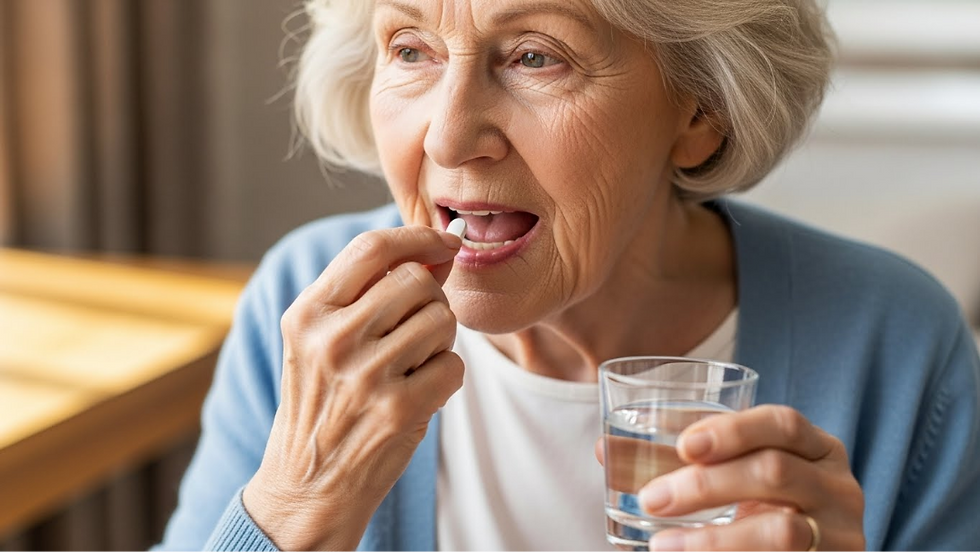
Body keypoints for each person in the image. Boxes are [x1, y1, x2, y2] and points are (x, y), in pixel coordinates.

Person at [153, 0, 980, 550]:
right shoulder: (310, 306)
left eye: (535, 57)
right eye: (411, 49)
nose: (447, 138)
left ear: (699, 111)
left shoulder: (893, 344)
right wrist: (296, 506)